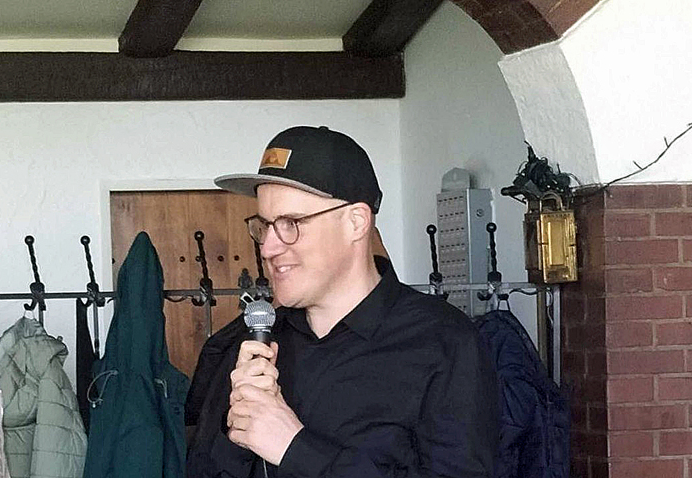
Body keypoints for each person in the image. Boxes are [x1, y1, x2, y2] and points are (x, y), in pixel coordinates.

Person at [212, 125, 499, 477]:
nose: (269, 248)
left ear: (356, 222)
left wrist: (294, 447)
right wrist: (238, 429)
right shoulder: (258, 345)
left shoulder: (444, 342)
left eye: (290, 223)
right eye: (265, 226)